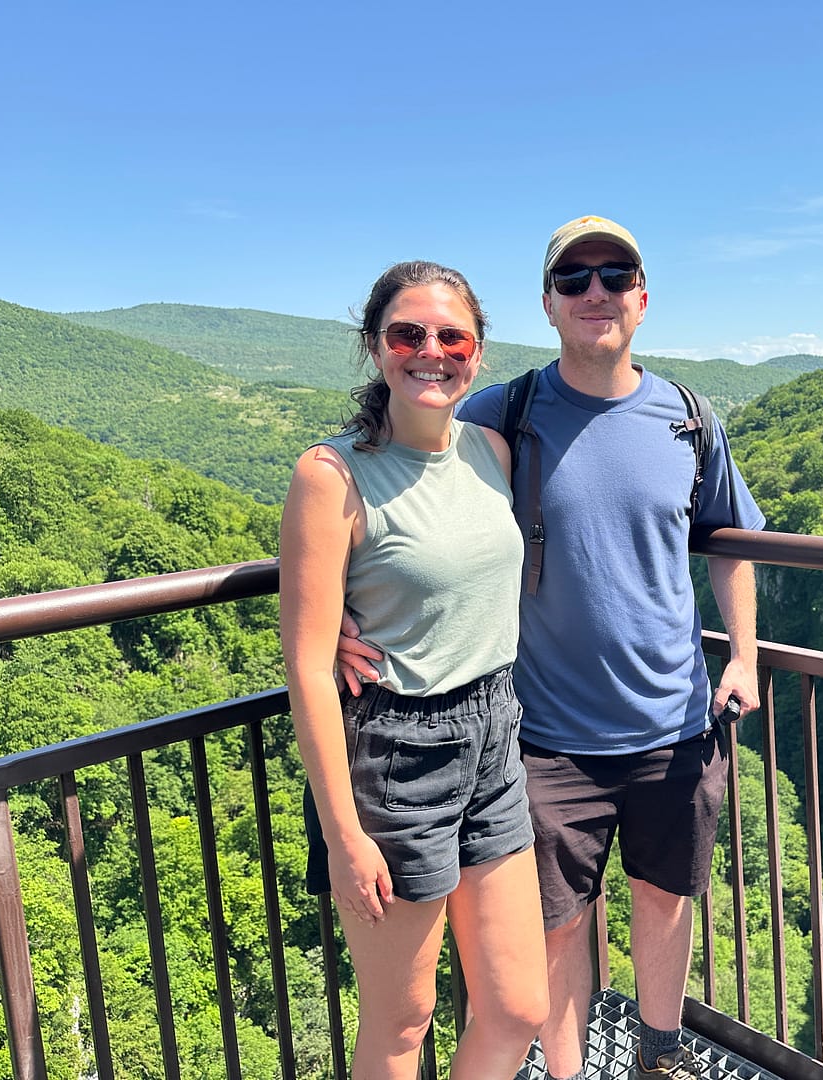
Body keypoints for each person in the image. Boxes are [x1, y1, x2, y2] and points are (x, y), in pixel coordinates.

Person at [340, 217, 765, 1080]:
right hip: (545, 735)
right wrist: (346, 607)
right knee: (559, 924)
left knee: (665, 898)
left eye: (614, 275)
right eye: (574, 278)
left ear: (642, 298)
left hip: (675, 720)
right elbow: (397, 469)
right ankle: (569, 1073)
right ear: (548, 303)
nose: (595, 292)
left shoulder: (689, 419)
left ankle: (658, 1056)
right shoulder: (506, 414)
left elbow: (729, 541)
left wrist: (746, 655)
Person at [281, 260, 548, 1080]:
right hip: (396, 752)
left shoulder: (490, 451)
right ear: (375, 347)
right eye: (408, 334)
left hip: (494, 734)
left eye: (452, 338)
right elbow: (308, 667)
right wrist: (344, 837)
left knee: (518, 1008)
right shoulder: (332, 475)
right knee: (403, 1022)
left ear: (477, 354)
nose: (431, 352)